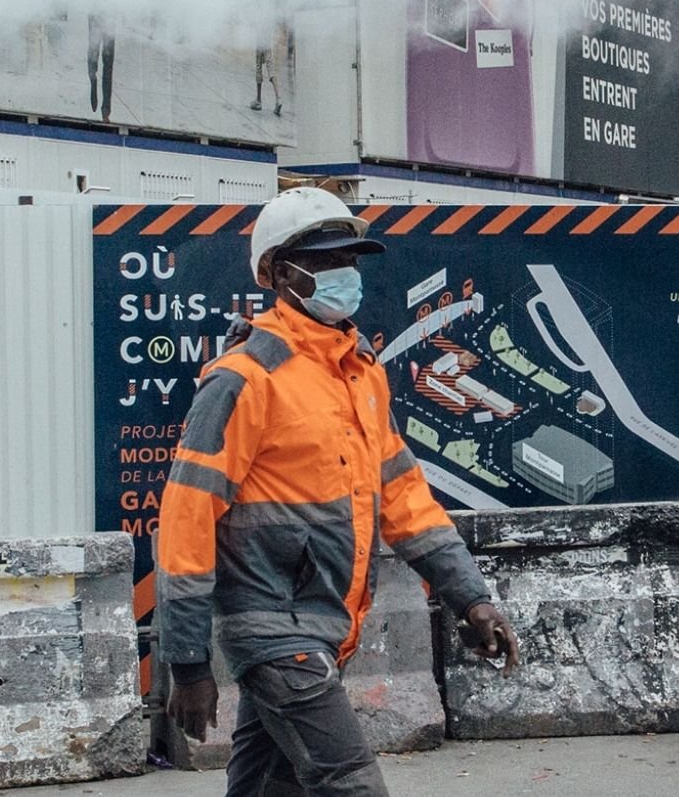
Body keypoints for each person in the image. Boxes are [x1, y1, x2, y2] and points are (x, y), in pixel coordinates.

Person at [156, 187, 521, 797]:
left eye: (349, 260)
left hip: (323, 624)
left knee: (266, 786)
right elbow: (186, 519)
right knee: (350, 783)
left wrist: (470, 598)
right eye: (323, 261)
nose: (343, 274)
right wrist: (187, 662)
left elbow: (406, 500)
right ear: (275, 274)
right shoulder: (245, 378)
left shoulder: (360, 373)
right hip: (273, 631)